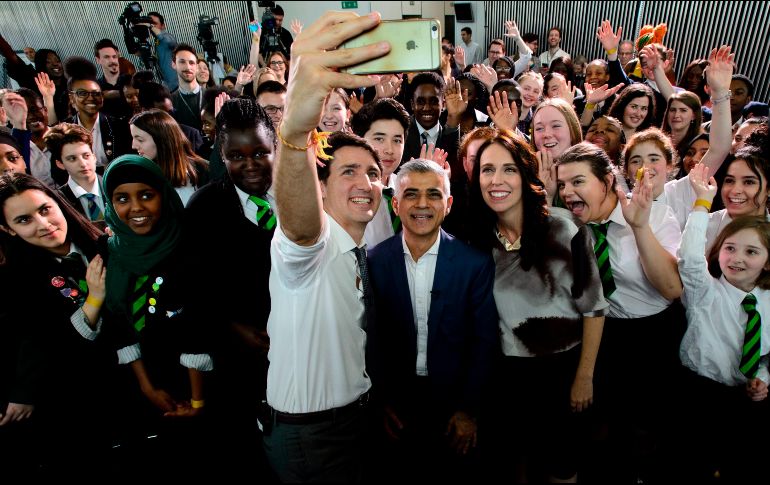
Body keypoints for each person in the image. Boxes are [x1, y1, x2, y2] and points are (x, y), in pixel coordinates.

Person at [261, 11, 389, 482]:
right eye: (349, 171)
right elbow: (298, 228)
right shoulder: (312, 245)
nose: (365, 183)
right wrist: (294, 138)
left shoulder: (358, 252)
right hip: (311, 438)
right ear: (320, 183)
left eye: (373, 173)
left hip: (353, 421)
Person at [469, 131, 606, 483]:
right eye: (487, 170)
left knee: (560, 470)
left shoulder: (564, 228)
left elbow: (593, 308)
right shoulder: (476, 240)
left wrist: (583, 378)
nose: (496, 180)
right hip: (504, 377)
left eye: (508, 169)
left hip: (562, 373)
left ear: (525, 175)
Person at [556, 142, 683, 483]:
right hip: (601, 334)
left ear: (608, 182)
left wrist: (639, 228)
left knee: (643, 433)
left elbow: (672, 289)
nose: (568, 192)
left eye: (578, 182)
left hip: (653, 335)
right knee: (597, 429)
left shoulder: (653, 214)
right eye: (563, 184)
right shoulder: (570, 224)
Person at [367, 159, 499, 482]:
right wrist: (381, 401)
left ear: (449, 204)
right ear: (395, 204)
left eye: (434, 195)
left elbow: (484, 342)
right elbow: (371, 339)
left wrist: (469, 410)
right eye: (411, 194)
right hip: (397, 409)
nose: (423, 204)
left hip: (455, 405)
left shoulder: (475, 265)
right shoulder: (373, 262)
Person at [183, 98, 277, 478]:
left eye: (260, 152)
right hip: (241, 349)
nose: (250, 164)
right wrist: (232, 327)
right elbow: (196, 285)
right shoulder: (205, 208)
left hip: (299, 341)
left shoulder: (302, 192)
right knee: (248, 447)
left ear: (275, 146)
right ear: (222, 154)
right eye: (237, 156)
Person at [102, 154, 213, 475]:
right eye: (122, 199)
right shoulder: (112, 252)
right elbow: (119, 324)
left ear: (163, 195)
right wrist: (147, 388)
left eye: (146, 195)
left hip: (198, 385)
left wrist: (196, 402)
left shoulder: (188, 248)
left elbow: (197, 326)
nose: (135, 208)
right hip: (146, 385)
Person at [0, 172, 116, 475]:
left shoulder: (106, 245)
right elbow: (53, 348)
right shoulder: (17, 283)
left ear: (58, 202)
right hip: (80, 408)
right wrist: (94, 299)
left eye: (44, 209)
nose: (43, 224)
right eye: (23, 220)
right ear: (8, 230)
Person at [676, 163, 770, 483]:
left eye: (751, 251)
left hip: (743, 399)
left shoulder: (766, 302)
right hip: (700, 393)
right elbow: (689, 258)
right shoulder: (707, 291)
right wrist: (703, 203)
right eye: (729, 249)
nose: (737, 258)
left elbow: (765, 352)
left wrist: (763, 376)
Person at [351, 98, 411, 248]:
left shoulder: (406, 188)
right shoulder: (347, 192)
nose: (389, 150)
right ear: (359, 140)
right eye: (379, 138)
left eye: (397, 140)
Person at [62, 57, 133, 171]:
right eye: (82, 93)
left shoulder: (120, 126)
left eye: (96, 93)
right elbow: (58, 172)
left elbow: (129, 163)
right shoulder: (63, 131)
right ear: (71, 98)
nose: (90, 98)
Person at [129, 109, 209, 206]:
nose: (133, 146)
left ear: (162, 140)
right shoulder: (142, 174)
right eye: (133, 138)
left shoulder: (203, 169)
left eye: (140, 140)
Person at [44, 123, 104, 226]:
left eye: (86, 156)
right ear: (60, 164)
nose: (83, 164)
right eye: (72, 158)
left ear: (94, 157)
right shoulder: (57, 201)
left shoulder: (115, 187)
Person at [94, 38, 131, 120]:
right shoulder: (95, 87)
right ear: (98, 60)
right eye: (106, 57)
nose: (112, 61)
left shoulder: (131, 81)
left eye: (114, 57)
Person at [170, 44, 203, 131]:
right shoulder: (170, 102)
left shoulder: (211, 96)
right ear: (173, 64)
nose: (188, 67)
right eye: (182, 62)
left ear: (197, 67)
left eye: (192, 63)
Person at [145, 11, 179, 91]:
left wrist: (150, 26)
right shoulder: (156, 41)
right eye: (150, 23)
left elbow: (171, 42)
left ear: (163, 26)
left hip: (177, 86)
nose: (151, 27)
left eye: (154, 23)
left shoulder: (167, 36)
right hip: (167, 88)